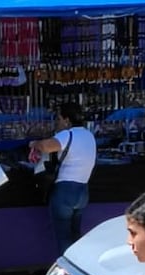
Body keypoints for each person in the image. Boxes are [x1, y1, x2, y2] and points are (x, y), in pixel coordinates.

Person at [29, 102, 98, 256]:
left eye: (58, 119)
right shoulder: (89, 135)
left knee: (64, 238)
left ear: (67, 120)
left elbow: (46, 146)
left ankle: (67, 274)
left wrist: (34, 143)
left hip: (64, 191)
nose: (57, 122)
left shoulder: (68, 134)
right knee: (75, 235)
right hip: (82, 191)